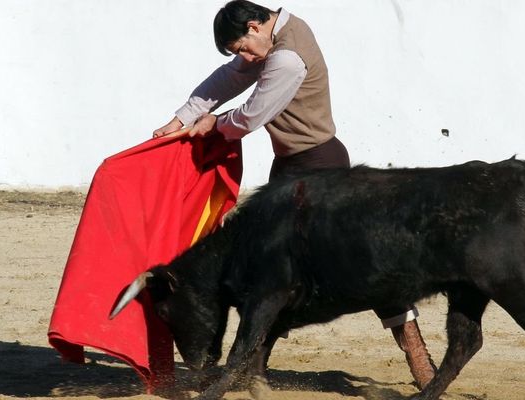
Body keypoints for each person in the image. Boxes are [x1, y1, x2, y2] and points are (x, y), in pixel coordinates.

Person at [153, 0, 435, 389]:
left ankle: (418, 356)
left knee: (360, 263)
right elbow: (230, 77)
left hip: (323, 172)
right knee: (271, 270)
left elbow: (253, 115)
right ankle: (254, 371)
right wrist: (181, 118)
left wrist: (214, 123)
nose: (244, 57)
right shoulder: (275, 36)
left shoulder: (287, 57)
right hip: (290, 171)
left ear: (254, 26)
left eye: (242, 47)